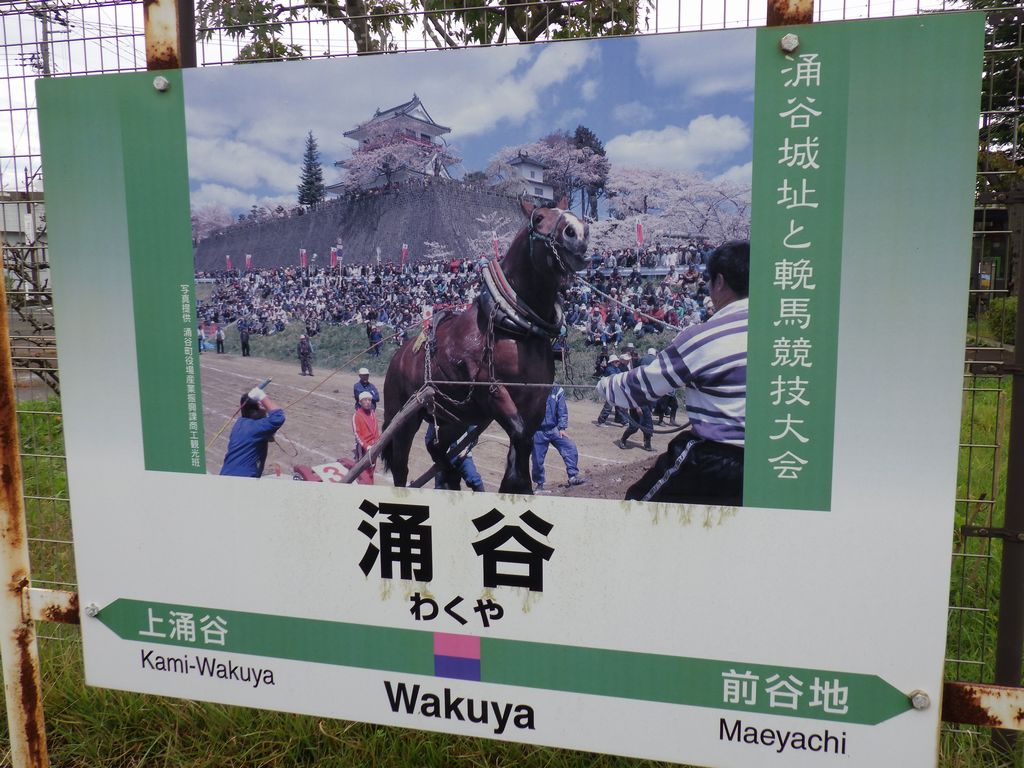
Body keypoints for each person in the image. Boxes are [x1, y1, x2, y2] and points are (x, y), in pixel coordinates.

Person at [597, 240, 748, 506]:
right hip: (772, 459)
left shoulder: (703, 337)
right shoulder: (787, 336)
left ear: (720, 282)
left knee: (637, 503)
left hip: (718, 460)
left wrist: (604, 386)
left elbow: (642, 386)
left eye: (708, 281)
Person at [219, 386, 285, 478]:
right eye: (262, 406)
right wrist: (262, 396)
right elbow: (278, 417)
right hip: (242, 479)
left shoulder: (240, 423)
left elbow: (263, 437)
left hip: (226, 475)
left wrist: (268, 434)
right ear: (256, 411)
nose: (265, 408)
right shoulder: (256, 427)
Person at [531, 385, 586, 492]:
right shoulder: (532, 388)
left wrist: (562, 428)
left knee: (570, 447)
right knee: (537, 460)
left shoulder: (557, 389)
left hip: (554, 429)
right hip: (538, 431)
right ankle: (539, 484)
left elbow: (562, 410)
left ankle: (573, 477)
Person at [425, 422, 485, 492]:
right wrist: (437, 456)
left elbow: (473, 436)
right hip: (443, 460)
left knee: (474, 479)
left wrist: (466, 449)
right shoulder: (435, 420)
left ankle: (483, 497)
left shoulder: (464, 417)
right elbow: (428, 439)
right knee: (440, 488)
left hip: (463, 458)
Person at [352, 390, 381, 484]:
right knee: (363, 471)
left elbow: (376, 430)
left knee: (372, 469)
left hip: (374, 447)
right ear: (360, 402)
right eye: (365, 400)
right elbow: (357, 434)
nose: (368, 402)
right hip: (364, 449)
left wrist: (378, 443)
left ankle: (370, 484)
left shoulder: (372, 414)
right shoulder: (357, 415)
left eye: (369, 400)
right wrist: (366, 446)